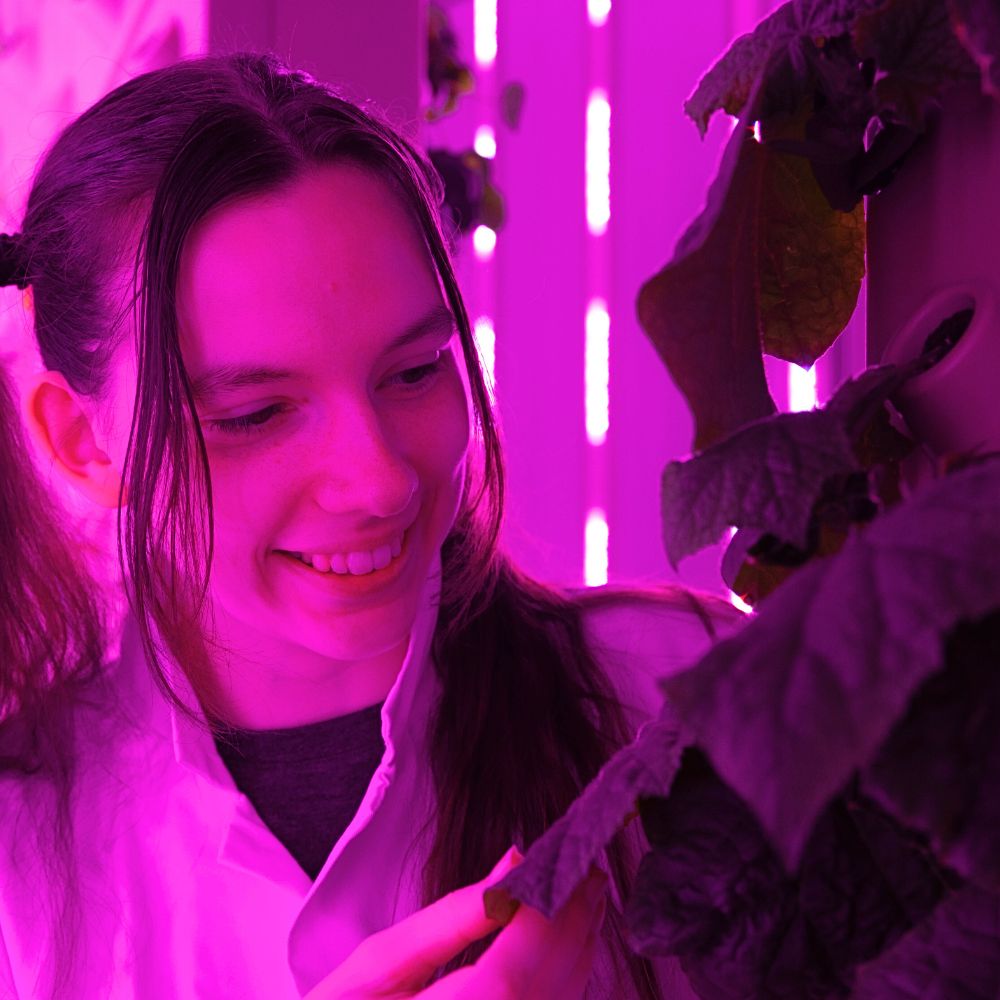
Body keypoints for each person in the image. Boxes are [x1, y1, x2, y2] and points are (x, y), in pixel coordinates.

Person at [0, 52, 743, 999]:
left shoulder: (685, 694)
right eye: (253, 415)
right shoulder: (17, 863)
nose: (381, 480)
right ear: (80, 443)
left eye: (415, 371)